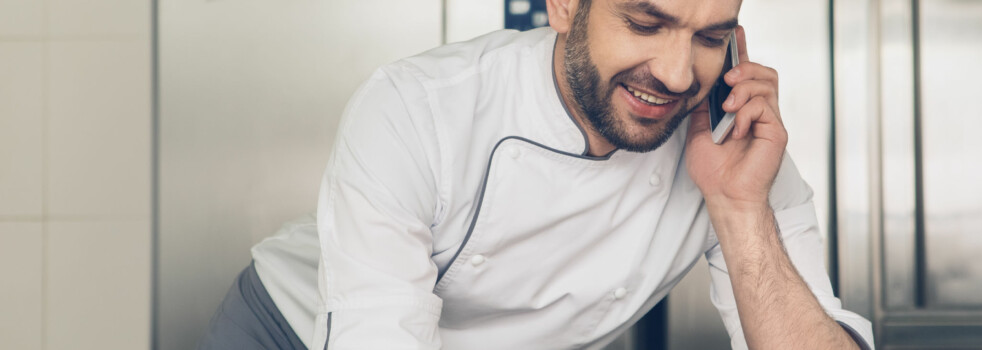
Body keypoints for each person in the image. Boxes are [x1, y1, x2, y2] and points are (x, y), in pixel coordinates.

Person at [199, 0, 874, 349]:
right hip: (293, 329)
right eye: (645, 23)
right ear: (564, 6)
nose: (675, 74)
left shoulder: (739, 151)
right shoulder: (419, 109)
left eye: (708, 37)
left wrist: (738, 209)